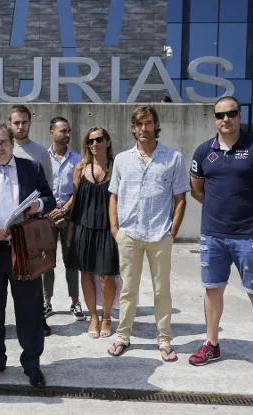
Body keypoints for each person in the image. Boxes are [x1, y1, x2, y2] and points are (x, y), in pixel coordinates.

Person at [188, 96, 253, 385]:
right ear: (214, 118)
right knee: (212, 291)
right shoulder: (203, 151)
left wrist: (252, 210)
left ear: (240, 116)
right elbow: (198, 190)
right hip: (213, 236)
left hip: (249, 236)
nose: (225, 119)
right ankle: (212, 344)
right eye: (220, 115)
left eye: (231, 114)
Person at [0, 122, 56, 387]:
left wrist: (37, 204)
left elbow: (49, 199)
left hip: (24, 251)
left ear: (12, 142)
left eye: (3, 141)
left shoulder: (31, 169)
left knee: (29, 309)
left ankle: (32, 363)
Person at [106, 106, 189, 361]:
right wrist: (114, 228)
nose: (144, 128)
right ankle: (122, 336)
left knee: (162, 290)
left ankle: (164, 340)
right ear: (133, 128)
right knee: (128, 289)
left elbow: (180, 198)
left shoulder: (172, 158)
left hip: (160, 234)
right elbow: (114, 195)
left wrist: (172, 231)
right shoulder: (121, 159)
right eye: (139, 124)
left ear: (155, 125)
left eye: (148, 123)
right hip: (129, 233)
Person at [67, 127, 120, 339]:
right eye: (90, 141)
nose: (95, 144)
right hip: (83, 228)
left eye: (99, 140)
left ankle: (106, 316)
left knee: (107, 276)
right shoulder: (80, 168)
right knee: (86, 274)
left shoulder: (117, 168)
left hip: (108, 230)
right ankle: (93, 317)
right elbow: (75, 201)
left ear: (107, 142)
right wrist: (69, 228)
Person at [8, 104, 53, 336]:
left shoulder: (40, 153)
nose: (20, 126)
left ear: (30, 123)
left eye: (24, 122)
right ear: (10, 123)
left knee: (35, 273)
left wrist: (39, 208)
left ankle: (38, 319)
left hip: (31, 223)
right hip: (7, 225)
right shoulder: (2, 148)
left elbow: (48, 189)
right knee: (12, 275)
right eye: (16, 122)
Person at [43, 116, 84, 321]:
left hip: (69, 217)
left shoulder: (77, 160)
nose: (67, 135)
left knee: (71, 262)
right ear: (52, 132)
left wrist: (66, 209)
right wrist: (50, 210)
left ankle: (75, 303)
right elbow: (39, 188)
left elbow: (80, 192)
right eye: (63, 131)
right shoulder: (42, 158)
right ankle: (46, 302)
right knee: (46, 262)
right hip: (47, 217)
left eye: (69, 131)